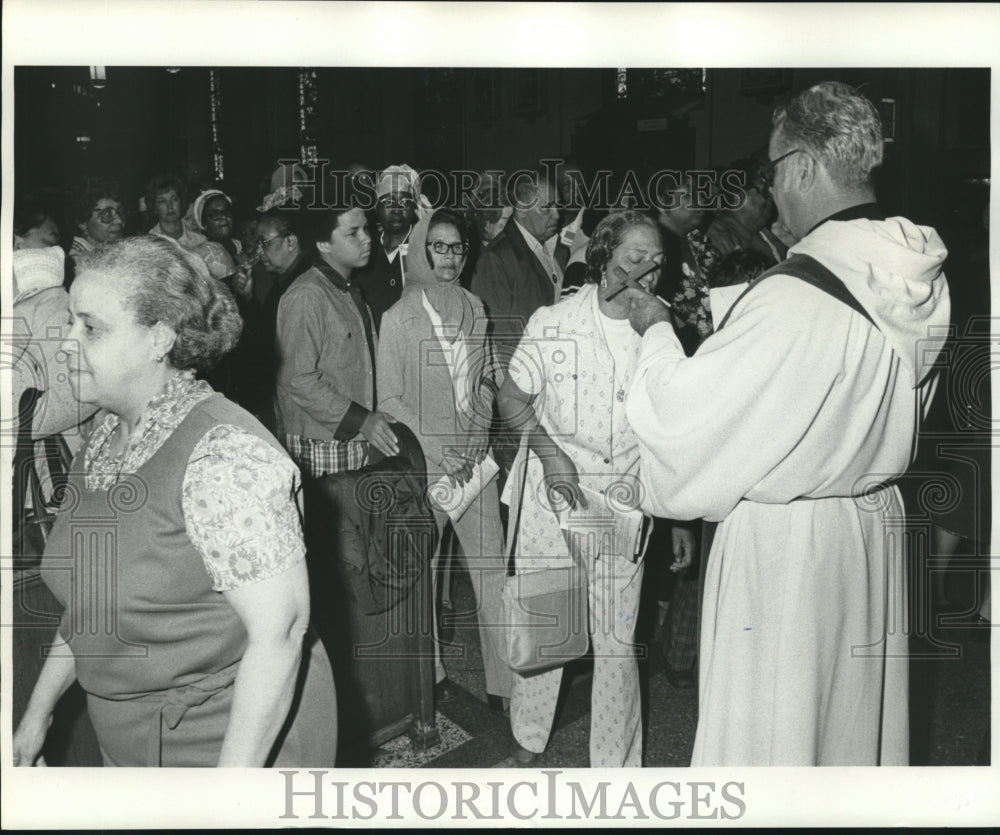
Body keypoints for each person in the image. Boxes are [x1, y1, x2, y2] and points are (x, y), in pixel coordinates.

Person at [624, 81, 951, 766]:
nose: (770, 190)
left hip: (790, 547)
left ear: (803, 164)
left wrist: (655, 331)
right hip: (871, 532)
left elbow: (687, 425)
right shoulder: (913, 273)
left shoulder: (793, 295)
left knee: (774, 739)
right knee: (847, 729)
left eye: (773, 171)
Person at [13, 236, 338, 767]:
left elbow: (279, 634)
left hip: (226, 742)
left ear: (158, 338)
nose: (66, 343)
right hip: (128, 734)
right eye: (71, 322)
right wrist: (38, 715)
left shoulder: (223, 455)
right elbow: (90, 604)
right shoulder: (104, 437)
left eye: (90, 328)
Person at [496, 210, 690, 767]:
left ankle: (616, 770)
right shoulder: (554, 321)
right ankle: (527, 740)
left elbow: (667, 432)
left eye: (657, 264)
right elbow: (509, 398)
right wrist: (550, 454)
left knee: (616, 642)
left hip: (622, 498)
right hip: (555, 493)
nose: (647, 274)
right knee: (548, 625)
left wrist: (673, 518)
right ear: (603, 257)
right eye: (634, 258)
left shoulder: (660, 331)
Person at [377, 207, 511, 710]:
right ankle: (428, 680)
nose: (450, 257)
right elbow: (389, 399)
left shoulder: (475, 307)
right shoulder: (397, 318)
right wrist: (440, 452)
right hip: (428, 467)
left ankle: (505, 683)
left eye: (458, 247)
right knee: (426, 576)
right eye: (439, 246)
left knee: (491, 573)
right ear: (420, 250)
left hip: (474, 463)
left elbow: (486, 381)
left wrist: (475, 441)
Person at [275, 195, 399, 478]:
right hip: (322, 443)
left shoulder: (347, 291)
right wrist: (363, 421)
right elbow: (297, 378)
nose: (367, 239)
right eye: (353, 233)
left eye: (366, 229)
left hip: (351, 438)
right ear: (323, 244)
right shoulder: (307, 296)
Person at [355, 164, 424, 332]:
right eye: (387, 202)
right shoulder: (365, 252)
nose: (396, 209)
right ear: (377, 207)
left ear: (414, 206)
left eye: (404, 201)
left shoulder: (422, 249)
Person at [69, 179, 126, 257]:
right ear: (82, 222)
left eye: (121, 212)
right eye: (107, 213)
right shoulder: (75, 258)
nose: (119, 220)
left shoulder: (110, 251)